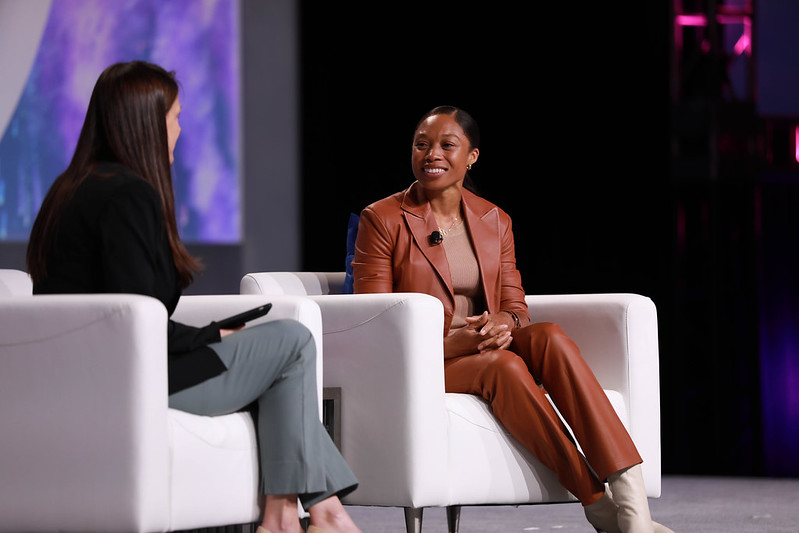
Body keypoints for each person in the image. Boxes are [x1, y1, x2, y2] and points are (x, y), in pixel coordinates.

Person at [26, 60, 361, 533]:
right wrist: (208, 336)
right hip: (134, 379)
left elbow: (116, 313)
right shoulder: (129, 196)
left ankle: (324, 513)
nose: (180, 130)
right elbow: (134, 322)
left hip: (83, 373)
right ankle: (285, 520)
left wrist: (208, 335)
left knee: (277, 368)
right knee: (293, 341)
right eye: (176, 117)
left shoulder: (66, 191)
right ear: (147, 123)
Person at [352, 105, 673, 533]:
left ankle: (632, 507)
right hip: (425, 359)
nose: (432, 154)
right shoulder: (382, 218)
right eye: (422, 145)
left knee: (550, 337)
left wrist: (504, 322)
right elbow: (375, 321)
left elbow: (516, 307)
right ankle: (598, 504)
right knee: (502, 366)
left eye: (447, 145)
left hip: (483, 344)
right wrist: (459, 342)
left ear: (472, 156)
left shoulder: (494, 219)